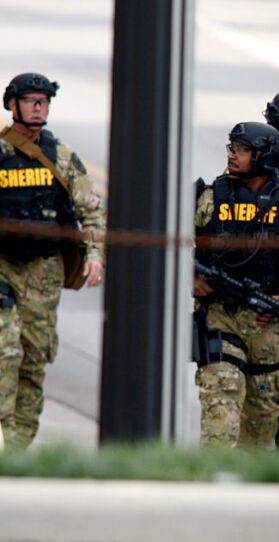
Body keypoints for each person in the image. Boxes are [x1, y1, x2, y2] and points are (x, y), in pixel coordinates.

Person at [193, 121, 279, 447]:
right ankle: (211, 490)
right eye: (231, 148)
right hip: (222, 316)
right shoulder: (212, 197)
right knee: (220, 407)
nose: (232, 155)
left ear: (264, 156)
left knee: (259, 430)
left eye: (241, 150)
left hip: (271, 327)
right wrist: (192, 279)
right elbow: (170, 244)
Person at [0, 73, 105, 448]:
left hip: (44, 272)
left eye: (44, 102)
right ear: (13, 104)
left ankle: (16, 448)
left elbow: (91, 211)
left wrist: (94, 255)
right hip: (3, 268)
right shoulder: (1, 152)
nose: (39, 108)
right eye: (31, 101)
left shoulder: (59, 156)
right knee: (5, 351)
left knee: (32, 362)